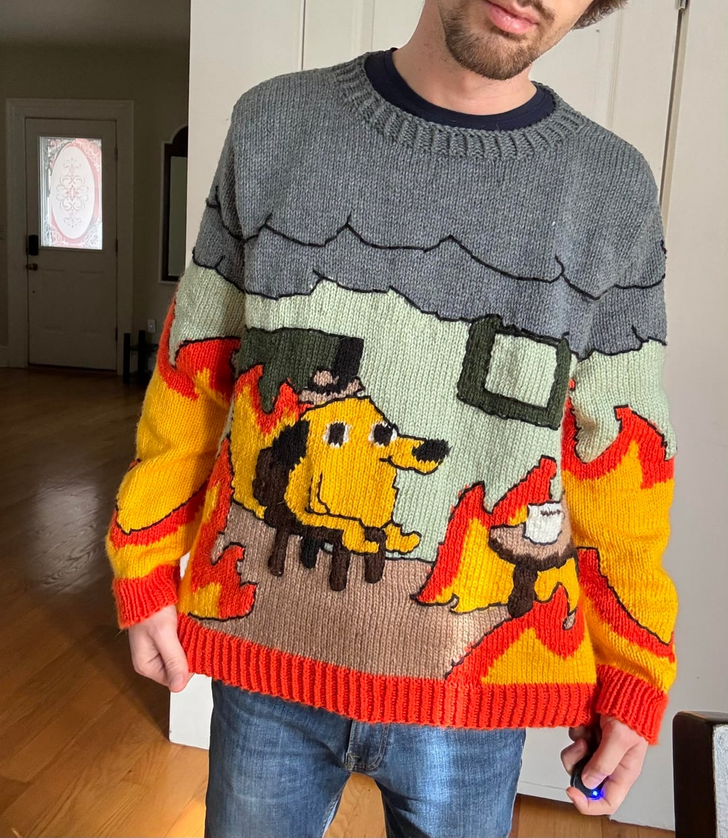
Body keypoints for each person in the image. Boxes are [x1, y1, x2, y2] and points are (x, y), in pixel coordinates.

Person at [105, 0, 679, 835]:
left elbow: (622, 456)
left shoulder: (613, 189)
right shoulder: (273, 124)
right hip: (264, 661)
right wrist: (145, 557)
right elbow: (197, 367)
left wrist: (633, 665)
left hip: (472, 698)